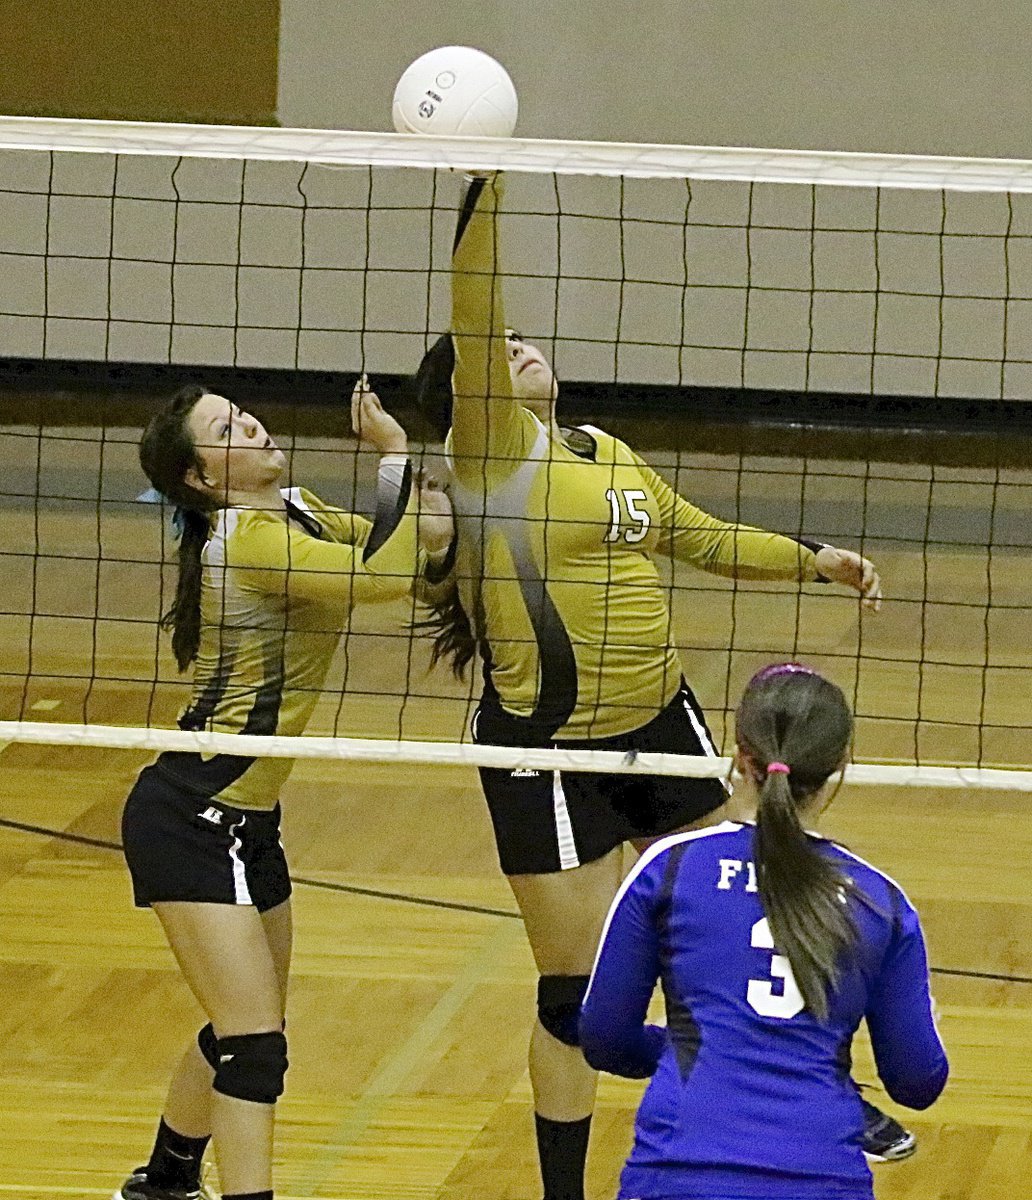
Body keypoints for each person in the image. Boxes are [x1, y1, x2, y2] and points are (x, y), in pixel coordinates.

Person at [413, 173, 899, 1200]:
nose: (518, 347)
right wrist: (484, 189)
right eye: (499, 354)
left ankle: (824, 1087)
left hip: (664, 723)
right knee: (574, 994)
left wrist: (812, 558)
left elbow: (700, 535)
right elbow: (472, 313)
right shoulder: (489, 453)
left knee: (765, 908)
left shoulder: (607, 453)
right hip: (548, 758)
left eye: (520, 343)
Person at [115, 380, 452, 1200]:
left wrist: (438, 509)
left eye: (243, 412)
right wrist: (398, 457)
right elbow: (379, 579)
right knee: (253, 1044)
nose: (254, 423)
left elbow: (394, 555)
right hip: (192, 817)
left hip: (247, 822)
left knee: (250, 1030)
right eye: (229, 427)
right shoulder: (249, 542)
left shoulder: (295, 510)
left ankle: (161, 1185)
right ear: (200, 478)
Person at [579, 662, 948, 1200]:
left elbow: (605, 1038)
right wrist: (931, 1028)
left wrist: (697, 1045)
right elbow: (916, 1083)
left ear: (739, 754)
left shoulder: (671, 868)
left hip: (679, 1169)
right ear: (841, 764)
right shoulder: (880, 902)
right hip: (822, 1177)